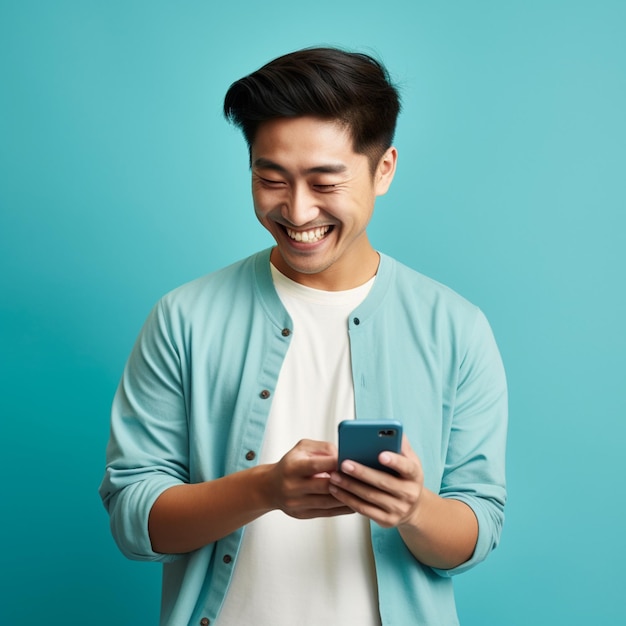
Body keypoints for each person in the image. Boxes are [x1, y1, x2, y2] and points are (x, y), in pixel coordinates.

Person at [99, 47, 507, 626]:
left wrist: (414, 507)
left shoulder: (456, 328)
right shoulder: (183, 317)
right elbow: (133, 521)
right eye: (270, 179)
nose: (297, 209)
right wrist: (264, 490)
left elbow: (477, 530)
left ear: (383, 168)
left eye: (325, 181)